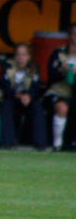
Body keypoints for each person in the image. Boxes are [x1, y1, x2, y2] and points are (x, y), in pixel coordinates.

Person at [0, 43, 46, 150]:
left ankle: (40, 143)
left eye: (24, 55)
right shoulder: (7, 67)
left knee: (37, 107)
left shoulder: (34, 68)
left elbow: (36, 87)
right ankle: (7, 142)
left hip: (27, 100)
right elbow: (5, 87)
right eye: (18, 55)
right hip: (12, 98)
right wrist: (18, 96)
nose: (20, 58)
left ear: (29, 57)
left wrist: (28, 96)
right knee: (6, 106)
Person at [42, 22, 76, 151]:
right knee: (62, 108)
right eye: (74, 33)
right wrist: (61, 71)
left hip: (74, 94)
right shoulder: (59, 53)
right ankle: (57, 143)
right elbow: (50, 75)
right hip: (58, 92)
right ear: (69, 35)